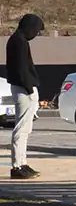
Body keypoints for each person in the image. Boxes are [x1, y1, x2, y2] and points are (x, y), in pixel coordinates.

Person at [6, 13, 44, 180]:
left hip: (23, 88)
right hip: (24, 89)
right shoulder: (19, 42)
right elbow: (21, 69)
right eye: (36, 30)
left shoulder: (18, 40)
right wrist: (30, 88)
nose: (36, 34)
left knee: (25, 129)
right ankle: (17, 166)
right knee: (21, 129)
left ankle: (22, 162)